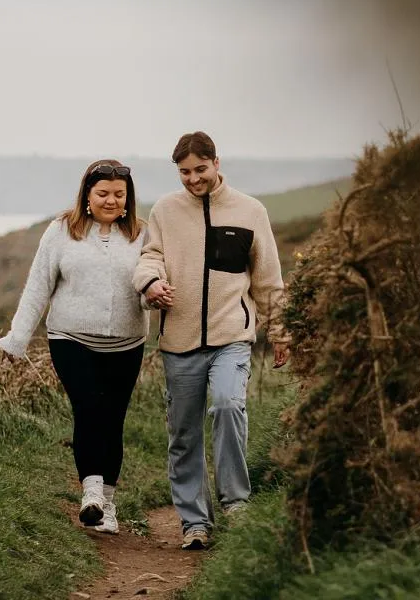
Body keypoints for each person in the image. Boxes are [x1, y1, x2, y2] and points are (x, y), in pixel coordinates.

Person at [135, 131, 287, 551]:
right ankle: (195, 522)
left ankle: (236, 504)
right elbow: (150, 258)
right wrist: (150, 283)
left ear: (216, 163)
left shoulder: (250, 211)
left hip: (231, 336)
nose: (193, 179)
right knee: (184, 434)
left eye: (200, 169)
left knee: (227, 405)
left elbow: (268, 280)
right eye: (184, 172)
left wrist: (281, 331)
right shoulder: (165, 210)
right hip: (178, 341)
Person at [0, 159, 149, 534]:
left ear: (128, 198)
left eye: (119, 194)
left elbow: (150, 281)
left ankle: (107, 505)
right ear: (87, 195)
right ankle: (91, 495)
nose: (111, 200)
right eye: (103, 193)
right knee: (89, 408)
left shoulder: (142, 234)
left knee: (113, 419)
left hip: (127, 343)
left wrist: (153, 297)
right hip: (71, 339)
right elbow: (38, 286)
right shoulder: (62, 231)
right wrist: (17, 337)